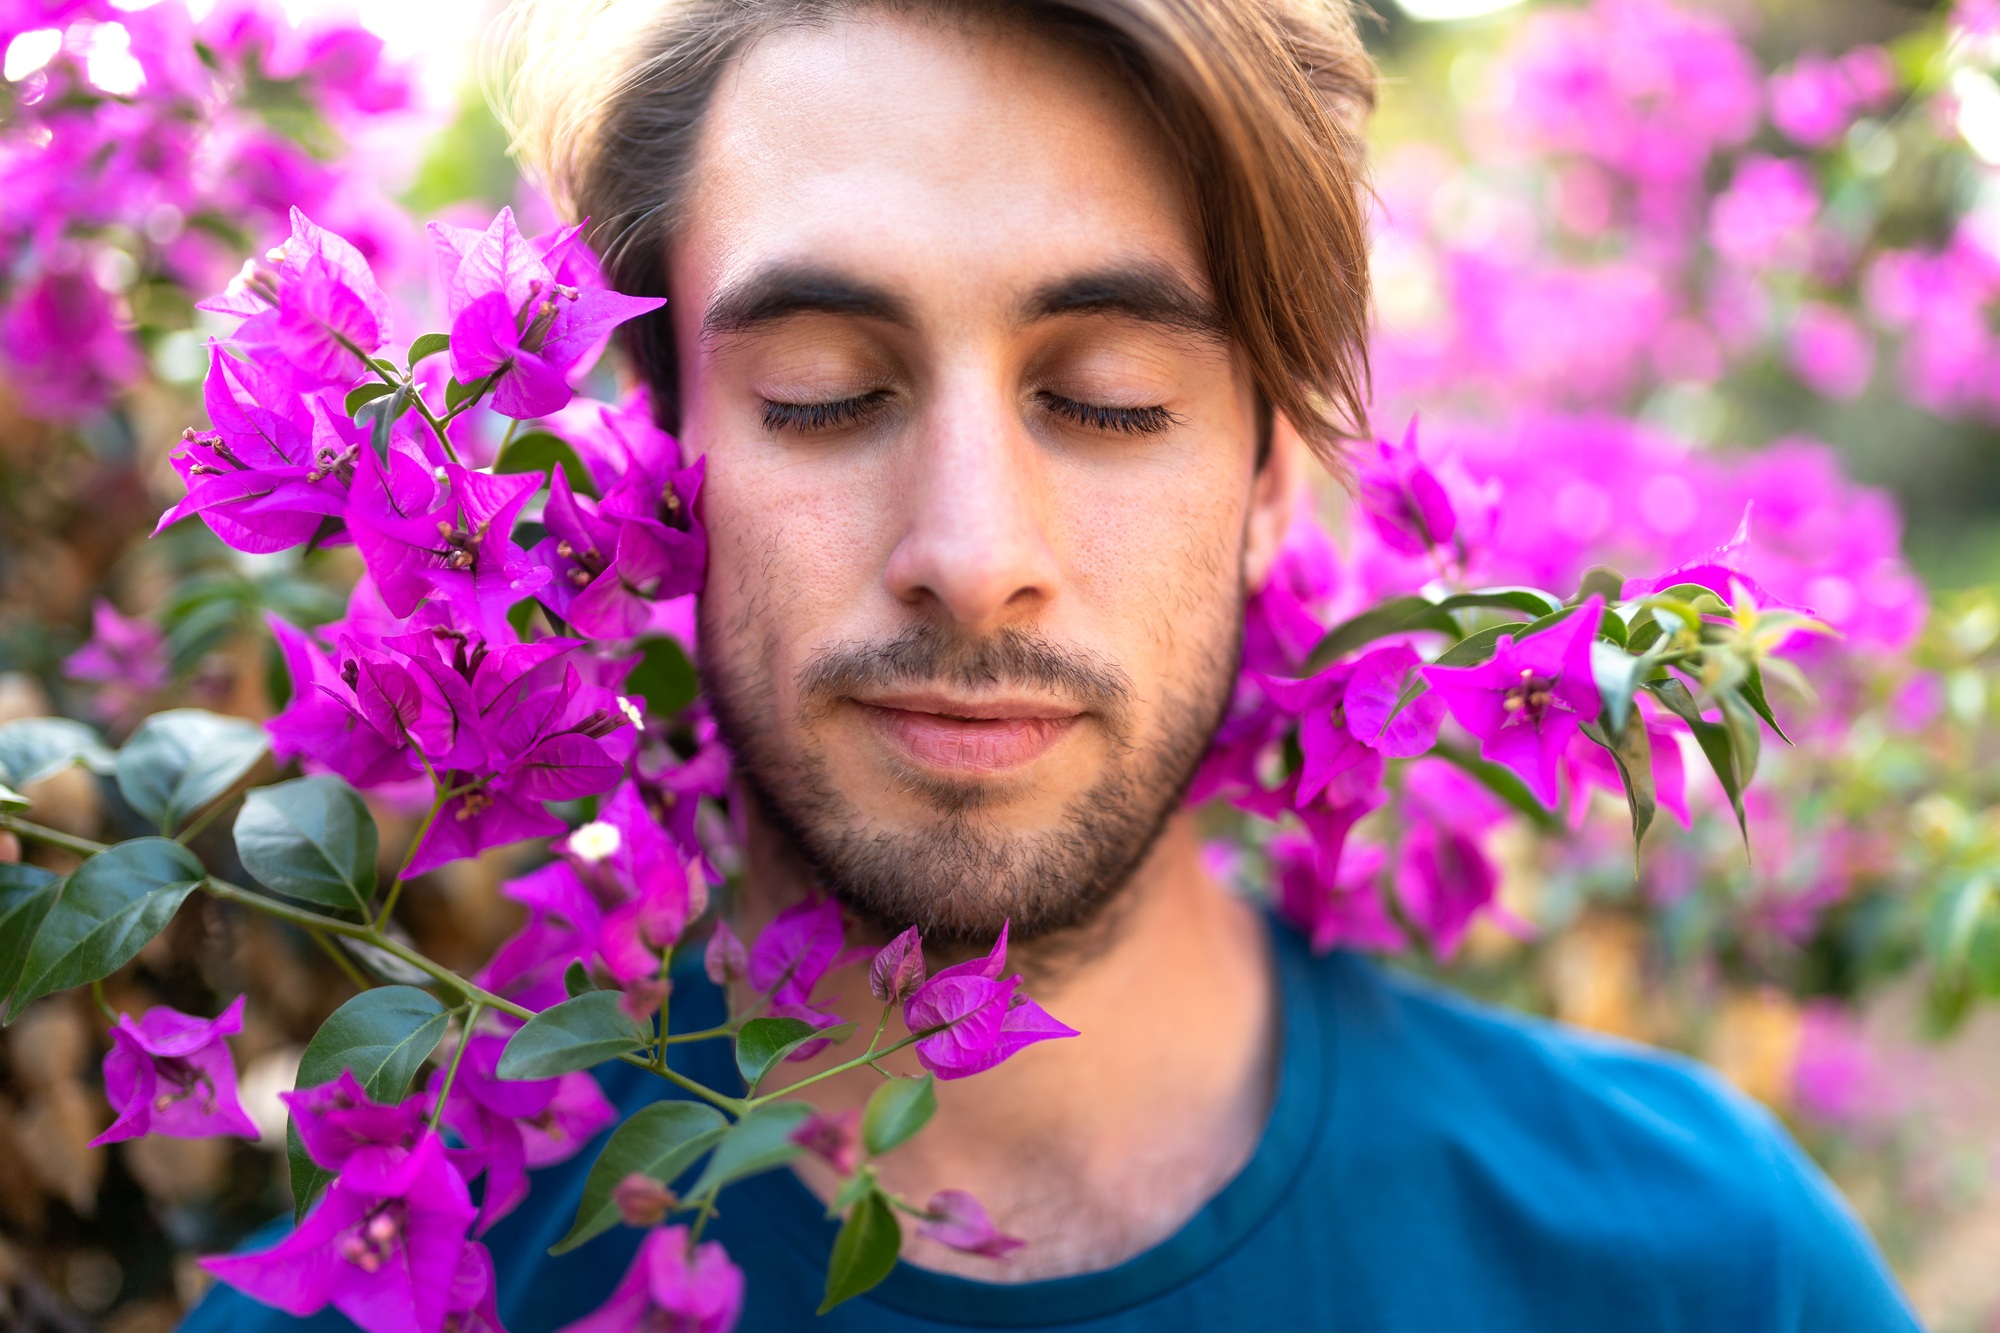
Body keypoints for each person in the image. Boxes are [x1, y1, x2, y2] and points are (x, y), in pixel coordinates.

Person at [185, 0, 1920, 1328]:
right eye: (821, 395)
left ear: (1263, 480)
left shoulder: (1699, 1262)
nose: (975, 548)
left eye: (1107, 400)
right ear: (653, 462)